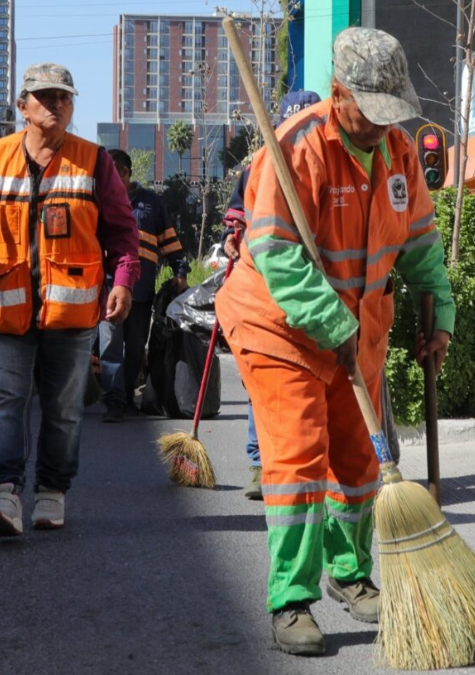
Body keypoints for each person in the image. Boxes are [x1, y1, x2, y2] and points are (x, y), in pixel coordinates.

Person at [215, 28, 455, 656]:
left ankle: (348, 573)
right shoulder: (294, 148)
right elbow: (276, 254)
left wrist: (441, 315)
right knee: (298, 456)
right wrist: (335, 324)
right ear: (341, 92)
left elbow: (422, 243)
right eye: (370, 113)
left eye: (391, 114)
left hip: (358, 330)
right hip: (280, 327)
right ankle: (291, 599)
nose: (382, 127)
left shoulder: (400, 153)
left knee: (359, 461)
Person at [0, 63, 140, 537]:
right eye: (44, 96)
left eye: (64, 97)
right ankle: (4, 494)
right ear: (22, 106)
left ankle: (51, 491)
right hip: (1, 309)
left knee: (63, 408)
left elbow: (123, 232)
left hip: (71, 311)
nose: (56, 104)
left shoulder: (95, 161)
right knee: (5, 401)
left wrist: (124, 281)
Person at [220, 90, 321, 500]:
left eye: (307, 124)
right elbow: (235, 222)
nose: (297, 133)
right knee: (262, 386)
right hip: (266, 299)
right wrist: (232, 238)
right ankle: (261, 464)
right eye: (289, 125)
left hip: (318, 297)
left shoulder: (331, 168)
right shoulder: (255, 169)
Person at [97, 148, 189, 423]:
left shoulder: (152, 204)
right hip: (109, 288)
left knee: (136, 347)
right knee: (111, 345)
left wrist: (181, 271)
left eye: (112, 173)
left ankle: (126, 397)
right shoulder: (99, 201)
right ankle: (114, 401)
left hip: (141, 291)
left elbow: (170, 242)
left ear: (125, 173)